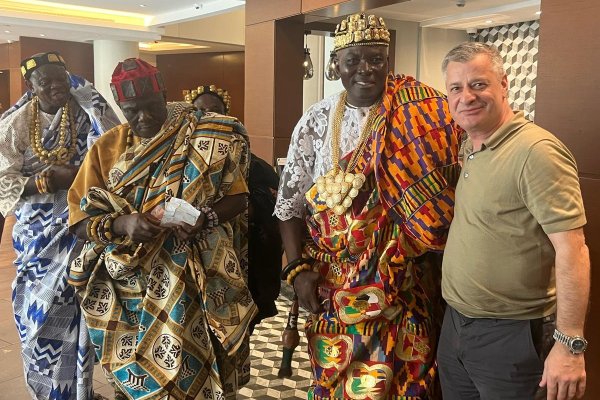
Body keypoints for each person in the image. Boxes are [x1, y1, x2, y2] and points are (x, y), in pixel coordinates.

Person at [274, 13, 461, 399]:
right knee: (338, 383)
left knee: (408, 382)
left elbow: (443, 197)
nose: (365, 69)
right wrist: (297, 270)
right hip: (333, 283)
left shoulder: (421, 113)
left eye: (376, 59)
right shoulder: (316, 121)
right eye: (353, 60)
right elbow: (288, 206)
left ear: (387, 60)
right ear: (336, 64)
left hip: (404, 281)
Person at [67, 58, 256, 400]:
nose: (143, 117)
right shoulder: (106, 148)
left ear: (165, 96)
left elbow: (239, 197)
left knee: (197, 368)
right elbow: (79, 221)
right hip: (132, 290)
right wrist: (122, 223)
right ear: (120, 106)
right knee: (139, 377)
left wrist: (204, 217)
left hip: (197, 279)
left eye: (152, 107)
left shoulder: (200, 132)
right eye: (132, 111)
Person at [438, 42, 590, 400]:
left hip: (511, 336)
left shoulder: (536, 152)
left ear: (504, 84)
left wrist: (569, 345)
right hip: (456, 325)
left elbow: (573, 250)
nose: (466, 97)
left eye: (478, 84)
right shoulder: (471, 146)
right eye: (456, 88)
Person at [0, 51, 119, 399]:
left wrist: (77, 176)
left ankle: (79, 391)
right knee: (37, 315)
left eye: (60, 78)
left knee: (80, 309)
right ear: (30, 85)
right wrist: (45, 181)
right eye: (45, 81)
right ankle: (51, 391)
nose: (55, 86)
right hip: (37, 234)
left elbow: (112, 151)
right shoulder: (16, 124)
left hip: (80, 223)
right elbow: (2, 182)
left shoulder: (84, 113)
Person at [185, 84, 282, 333]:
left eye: (215, 111)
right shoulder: (180, 161)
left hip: (245, 260)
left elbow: (273, 212)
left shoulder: (254, 165)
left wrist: (235, 210)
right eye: (200, 112)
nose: (208, 117)